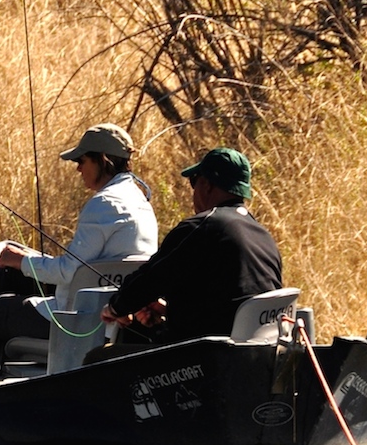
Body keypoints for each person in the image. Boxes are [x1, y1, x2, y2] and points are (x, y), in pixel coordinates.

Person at [0, 123, 159, 379]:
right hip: (113, 313)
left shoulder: (104, 203)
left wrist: (21, 261)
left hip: (77, 321)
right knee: (12, 272)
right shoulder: (142, 202)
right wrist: (22, 263)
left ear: (102, 160)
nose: (78, 168)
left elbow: (67, 272)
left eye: (82, 161)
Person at [96, 146, 282, 349]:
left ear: (207, 185)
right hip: (254, 358)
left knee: (97, 359)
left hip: (203, 361)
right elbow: (232, 304)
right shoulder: (264, 237)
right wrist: (168, 311)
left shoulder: (203, 227)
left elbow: (152, 278)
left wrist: (115, 308)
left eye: (194, 182)